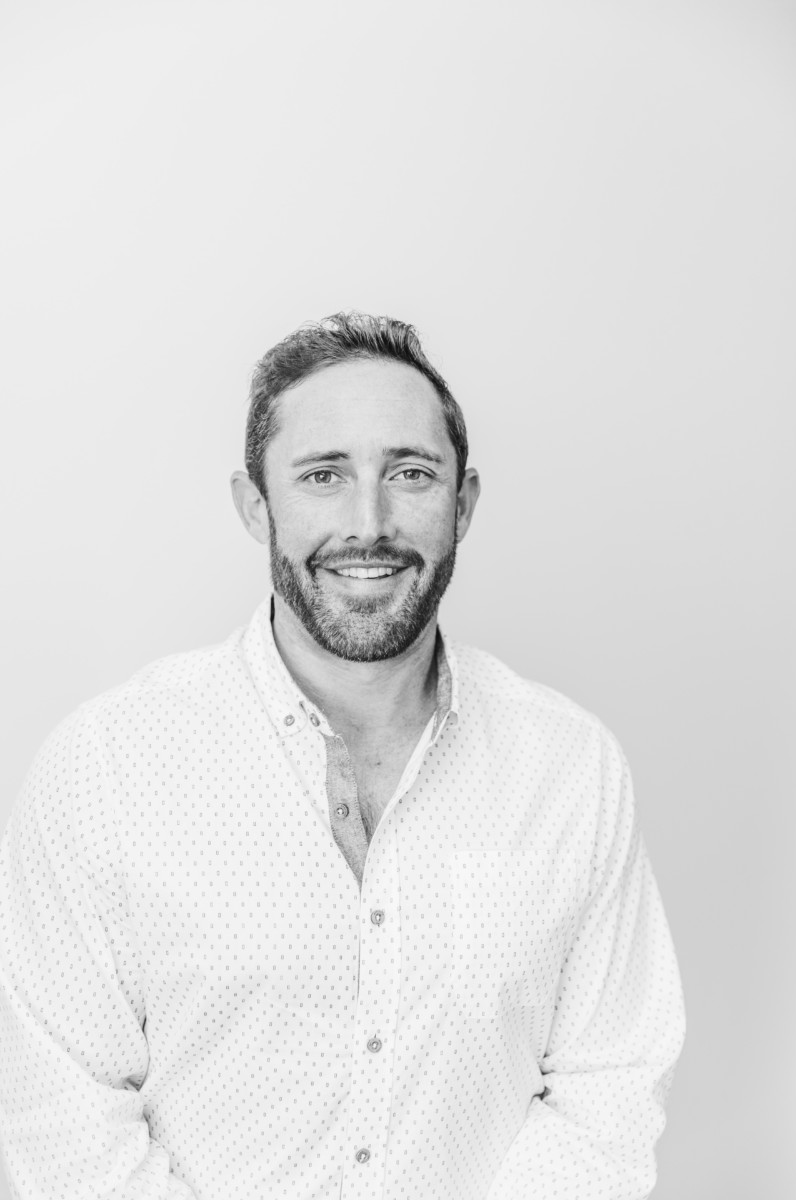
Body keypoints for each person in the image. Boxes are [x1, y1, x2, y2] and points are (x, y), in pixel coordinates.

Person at [0, 311, 685, 1200]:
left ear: (463, 503)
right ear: (256, 505)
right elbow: (60, 1121)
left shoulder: (570, 768)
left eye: (410, 473)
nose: (369, 524)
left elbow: (611, 1086)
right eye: (323, 475)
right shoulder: (107, 766)